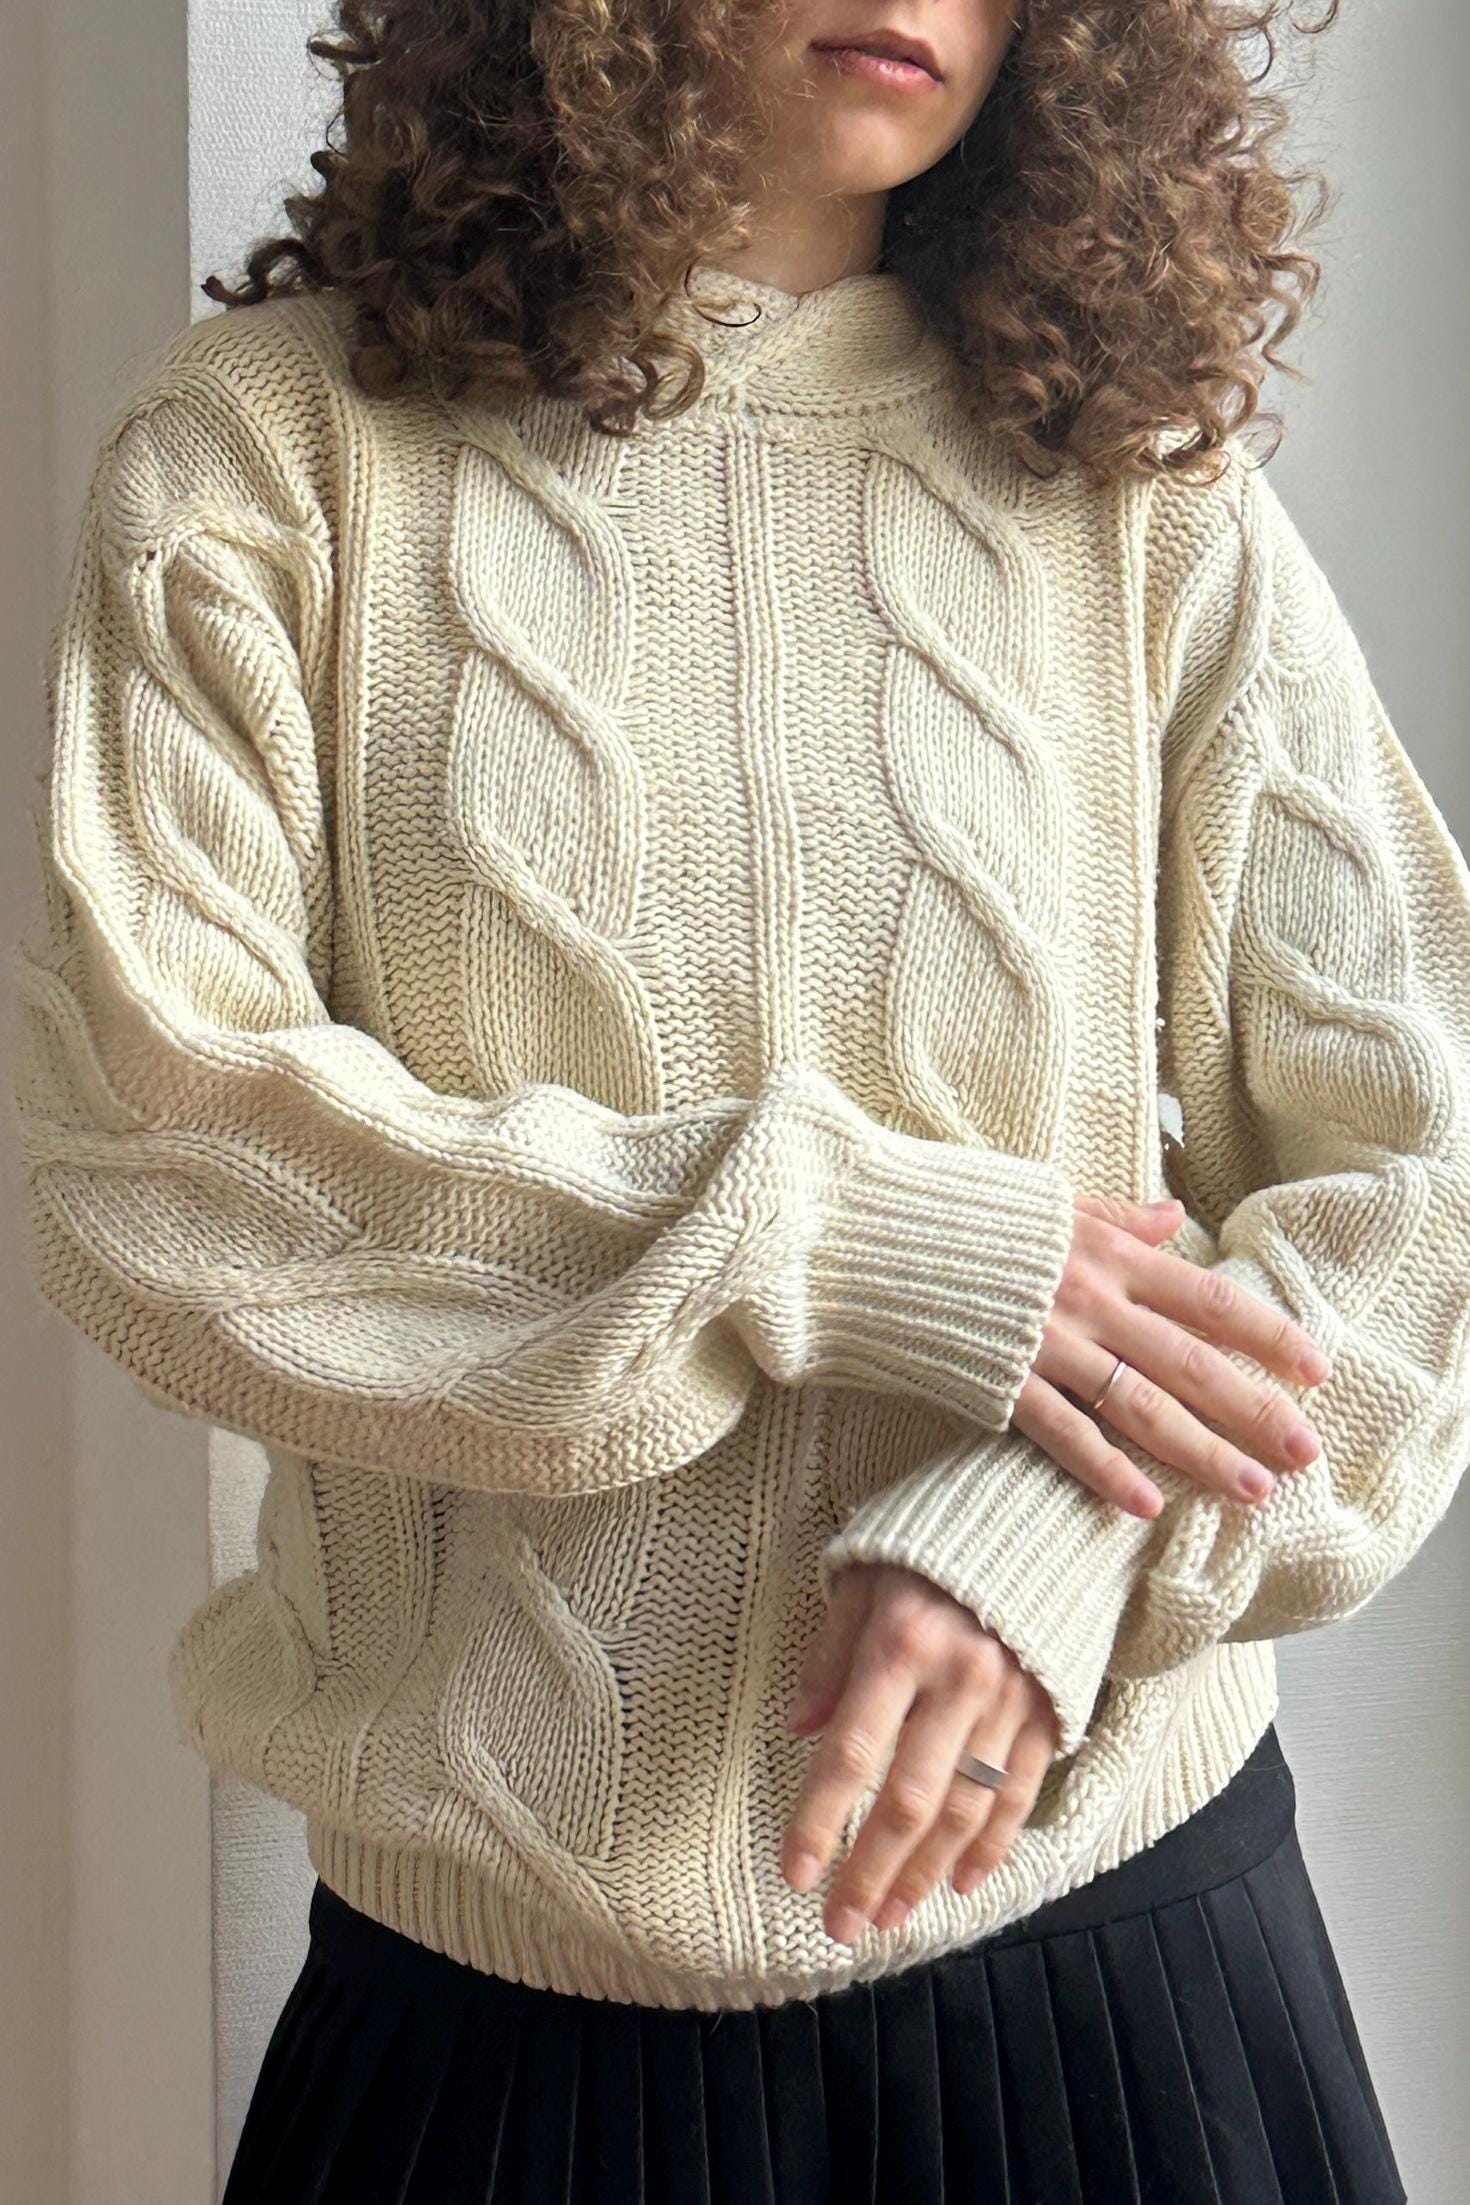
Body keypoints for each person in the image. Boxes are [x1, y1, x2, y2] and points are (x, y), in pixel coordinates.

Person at [10, 0, 1464, 2194]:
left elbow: (1418, 1168)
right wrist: (836, 1241)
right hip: (496, 2045)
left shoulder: (1144, 493)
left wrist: (1057, 1536)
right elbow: (162, 1156)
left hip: (1129, 1983)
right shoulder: (267, 458)